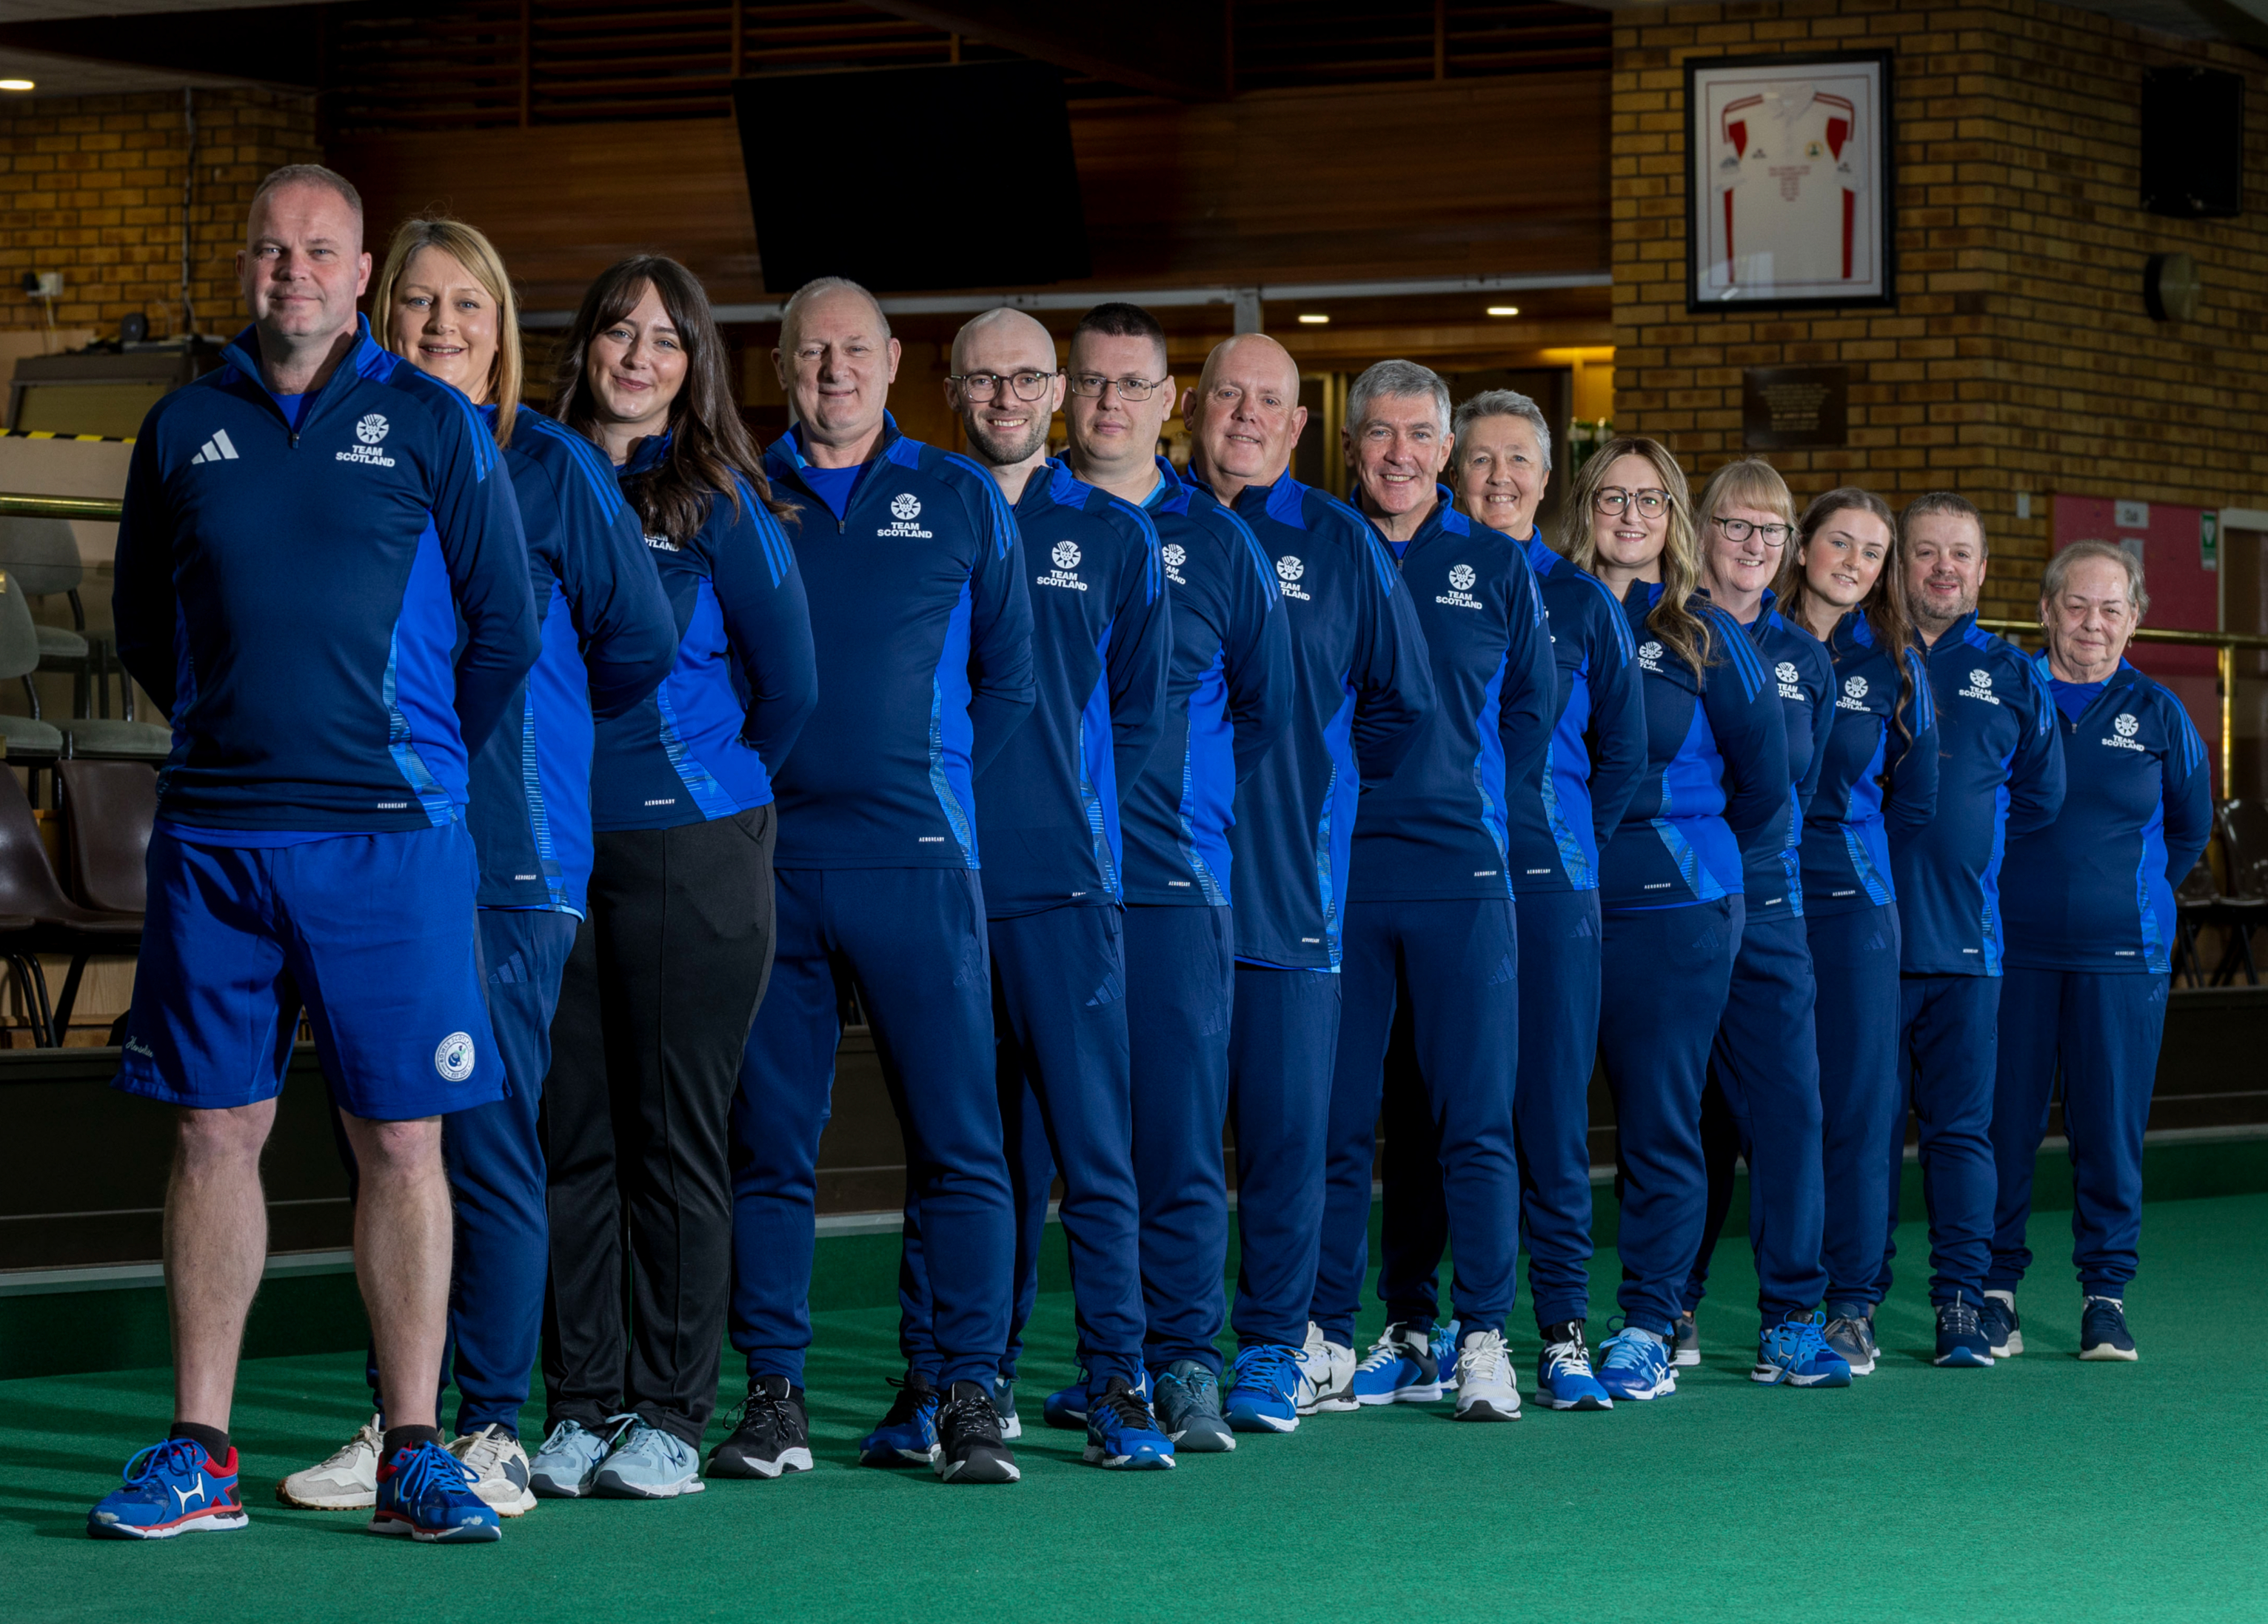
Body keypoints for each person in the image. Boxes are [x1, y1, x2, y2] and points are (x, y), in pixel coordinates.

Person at [93, 164, 541, 1543]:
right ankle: (201, 1450)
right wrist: (241, 735)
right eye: (274, 249)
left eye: (322, 250)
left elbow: (503, 629)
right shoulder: (178, 427)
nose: (294, 270)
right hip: (218, 840)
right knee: (213, 1133)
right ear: (251, 267)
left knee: (402, 1138)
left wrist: (397, 760)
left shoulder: (433, 424)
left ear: (361, 278)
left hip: (386, 842)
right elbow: (144, 632)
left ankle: (415, 1445)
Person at [278, 219, 677, 1517]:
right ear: (376, 316)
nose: (441, 325)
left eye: (468, 306)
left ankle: (493, 1425)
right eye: (416, 302)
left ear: (503, 332)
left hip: (507, 861)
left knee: (487, 1139)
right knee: (393, 1144)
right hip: (374, 846)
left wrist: (525, 745)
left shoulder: (554, 467)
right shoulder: (347, 449)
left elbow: (638, 646)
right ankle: (407, 1420)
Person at [726, 277, 1034, 1486]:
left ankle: (965, 1390)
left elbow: (1005, 683)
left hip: (916, 864)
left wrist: (932, 794)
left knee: (960, 1140)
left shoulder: (957, 495)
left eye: (855, 350)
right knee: (770, 1146)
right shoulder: (742, 492)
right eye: (813, 353)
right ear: (782, 364)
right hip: (773, 866)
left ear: (893, 360)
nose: (835, 370)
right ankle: (772, 1396)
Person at [534, 256, 816, 1499]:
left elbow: (790, 690)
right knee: (569, 1142)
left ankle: (666, 1414)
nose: (639, 355)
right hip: (546, 853)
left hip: (692, 852)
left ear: (694, 362)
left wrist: (703, 794)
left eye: (665, 338)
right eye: (618, 330)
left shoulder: (719, 497)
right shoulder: (528, 470)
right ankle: (581, 1405)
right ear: (585, 344)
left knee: (674, 1141)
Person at [892, 307, 1176, 1470]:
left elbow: (1145, 720)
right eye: (981, 380)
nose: (1004, 397)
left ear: (1056, 392)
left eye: (1025, 379)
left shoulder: (1111, 537)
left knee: (1090, 1150)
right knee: (956, 1154)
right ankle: (951, 1380)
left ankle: (1117, 1380)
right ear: (951, 392)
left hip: (1061, 889)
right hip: (935, 880)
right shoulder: (920, 519)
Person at [1372, 391, 1645, 1412]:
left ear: (1546, 479)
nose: (1495, 479)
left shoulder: (1579, 603)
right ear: (1450, 465)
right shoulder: (1403, 570)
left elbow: (1619, 756)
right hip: (1432, 880)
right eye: (1477, 460)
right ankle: (1412, 1321)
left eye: (1516, 462)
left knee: (1541, 1108)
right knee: (1421, 1103)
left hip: (1546, 886)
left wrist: (1557, 837)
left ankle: (1561, 1326)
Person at [1181, 333, 1434, 1433]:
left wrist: (1308, 785)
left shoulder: (1336, 542)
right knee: (1169, 1137)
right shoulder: (1146, 522)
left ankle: (1272, 1350)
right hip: (1154, 889)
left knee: (1289, 1136)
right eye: (1227, 394)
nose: (1245, 414)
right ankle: (1159, 1348)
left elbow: (1402, 700)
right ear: (1194, 407)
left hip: (1286, 891)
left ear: (1296, 426)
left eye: (1268, 400)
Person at [1059, 302, 1293, 1450]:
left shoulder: (1218, 542)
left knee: (1177, 1135)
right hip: (1043, 885)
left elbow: (1265, 709)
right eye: (1091, 381)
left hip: (1171, 884)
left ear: (1171, 404)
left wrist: (1177, 811)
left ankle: (1184, 1359)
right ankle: (999, 1372)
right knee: (1040, 1142)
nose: (1110, 402)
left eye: (1132, 384)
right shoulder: (1013, 521)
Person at [1309, 361, 1553, 1422]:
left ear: (1444, 451)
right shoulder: (1313, 548)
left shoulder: (1496, 565)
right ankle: (1317, 1333)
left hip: (1459, 878)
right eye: (1377, 433)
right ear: (1352, 445)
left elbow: (1532, 720)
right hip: (1334, 877)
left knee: (1471, 1118)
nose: (1398, 453)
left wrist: (1465, 802)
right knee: (1328, 1118)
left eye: (1417, 434)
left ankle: (1483, 1337)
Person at [1568, 436, 1785, 1403]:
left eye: (1648, 501)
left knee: (1659, 1121)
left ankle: (1650, 1321)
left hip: (1674, 907)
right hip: (1547, 901)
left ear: (1673, 519)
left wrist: (1664, 841)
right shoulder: (1541, 609)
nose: (1627, 517)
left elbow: (1764, 787)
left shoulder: (1703, 633)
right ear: (1583, 507)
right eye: (1610, 498)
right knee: (1529, 1121)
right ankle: (1537, 1321)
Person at [1984, 541, 2210, 1361]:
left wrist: (2131, 893)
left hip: (2124, 958)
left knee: (2109, 1131)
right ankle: (1993, 1291)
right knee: (2000, 1126)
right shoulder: (2009, 696)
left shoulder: (2158, 713)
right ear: (2046, 610)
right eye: (2078, 605)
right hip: (2009, 954)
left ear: (2136, 618)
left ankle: (2104, 1299)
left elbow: (2188, 827)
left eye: (2113, 608)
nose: (2094, 623)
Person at [1676, 458, 1848, 1388]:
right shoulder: (1662, 631)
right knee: (1678, 1118)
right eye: (1738, 526)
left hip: (1771, 911)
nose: (1754, 545)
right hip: (1672, 904)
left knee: (1789, 1110)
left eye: (1773, 532)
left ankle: (1791, 1317)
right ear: (1702, 530)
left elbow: (1798, 791)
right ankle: (1668, 1308)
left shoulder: (1805, 660)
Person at [1884, 492, 2064, 1366]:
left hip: (1967, 951)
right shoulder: (1857, 652)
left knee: (1962, 1134)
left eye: (1961, 554)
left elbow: (2042, 797)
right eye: (1926, 552)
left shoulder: (2013, 674)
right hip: (1864, 947)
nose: (1943, 569)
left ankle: (1962, 1301)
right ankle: (1852, 1302)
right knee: (1865, 1130)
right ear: (1898, 563)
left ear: (1984, 572)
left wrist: (1971, 856)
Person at [1776, 488, 1938, 1376]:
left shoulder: (1896, 663)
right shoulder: (1749, 640)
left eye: (1873, 552)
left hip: (1857, 909)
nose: (1855, 562)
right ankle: (1695, 1302)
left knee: (1860, 1109)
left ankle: (1850, 1301)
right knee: (1761, 1106)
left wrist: (1850, 854)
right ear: (1803, 547)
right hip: (1762, 899)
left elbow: (1914, 802)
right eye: (1841, 542)